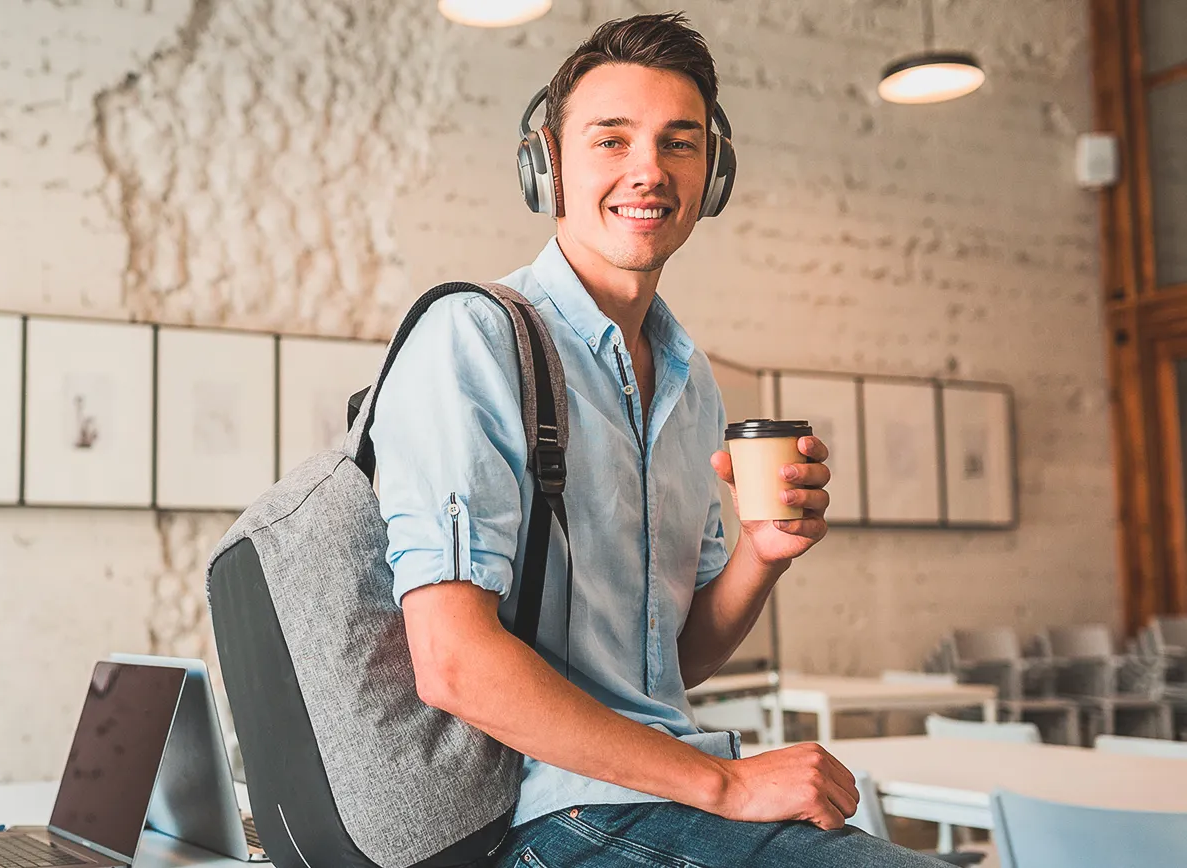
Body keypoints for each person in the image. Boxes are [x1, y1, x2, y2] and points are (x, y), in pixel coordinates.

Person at [368, 13, 947, 867]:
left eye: (680, 143)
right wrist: (728, 785)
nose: (649, 170)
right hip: (539, 817)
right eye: (612, 140)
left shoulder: (689, 379)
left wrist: (762, 552)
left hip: (659, 796)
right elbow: (452, 661)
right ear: (546, 165)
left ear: (712, 175)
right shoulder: (475, 337)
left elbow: (674, 661)